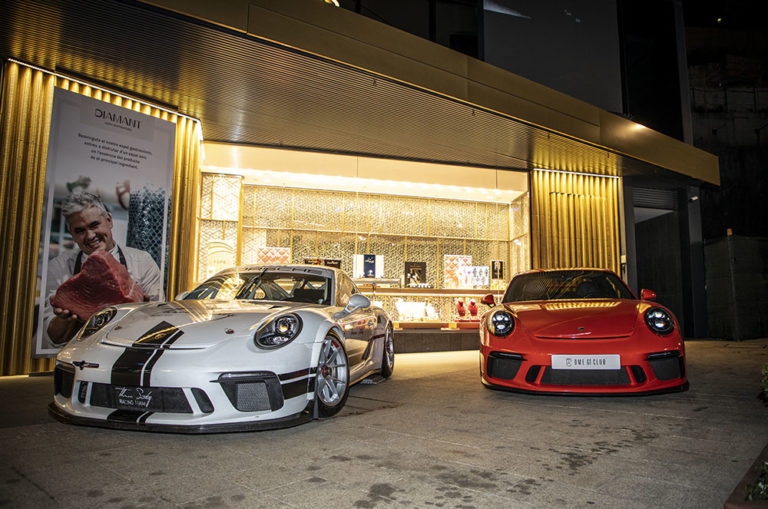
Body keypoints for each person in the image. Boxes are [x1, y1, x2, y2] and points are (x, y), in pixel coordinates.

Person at [43, 192, 163, 346]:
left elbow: (157, 323)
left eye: (94, 225)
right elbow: (53, 337)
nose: (90, 236)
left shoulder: (143, 262)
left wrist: (141, 312)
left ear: (109, 220)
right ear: (72, 235)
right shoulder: (57, 267)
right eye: (80, 231)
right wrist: (66, 319)